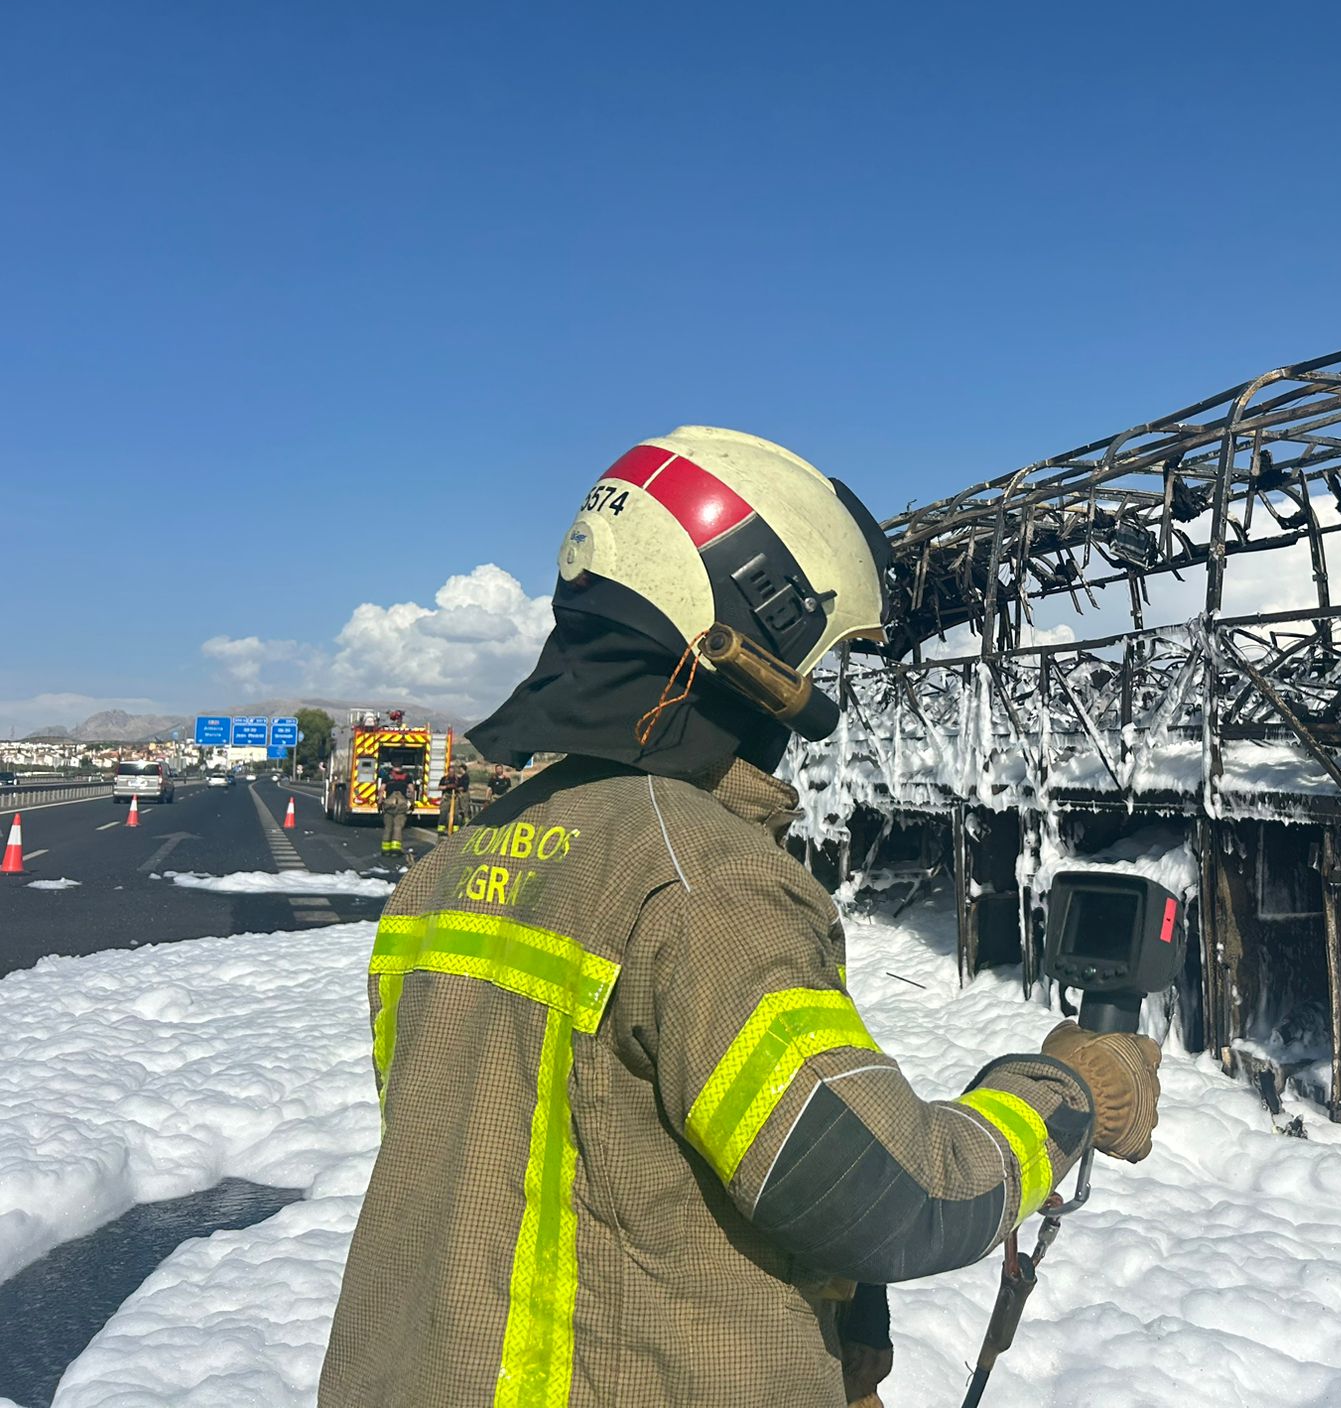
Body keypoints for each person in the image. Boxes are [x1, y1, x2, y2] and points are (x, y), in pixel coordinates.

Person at [320, 427, 1162, 1408]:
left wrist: (843, 1345)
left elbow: (582, 1166)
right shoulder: (697, 878)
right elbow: (898, 1201)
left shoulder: (455, 865)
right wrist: (1067, 1089)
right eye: (818, 653)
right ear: (756, 629)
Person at [378, 772, 411, 859]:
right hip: (401, 805)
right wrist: (412, 802)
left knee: (388, 827)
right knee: (398, 827)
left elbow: (381, 790)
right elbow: (411, 790)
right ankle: (395, 851)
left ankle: (385, 850)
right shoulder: (407, 776)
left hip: (389, 804)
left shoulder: (387, 776)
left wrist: (380, 802)